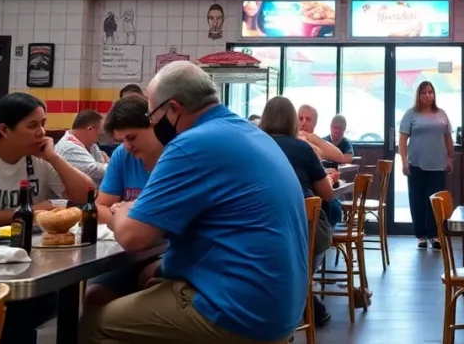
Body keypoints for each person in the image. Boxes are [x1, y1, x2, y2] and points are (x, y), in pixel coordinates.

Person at [82, 61, 308, 344]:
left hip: (241, 314)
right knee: (147, 279)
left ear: (174, 109)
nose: (153, 124)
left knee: (95, 321)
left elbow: (132, 236)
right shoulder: (248, 132)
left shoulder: (191, 144)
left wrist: (120, 213)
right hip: (282, 306)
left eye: (154, 117)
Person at [0, 93, 95, 344]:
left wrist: (53, 157)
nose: (42, 132)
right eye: (32, 126)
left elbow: (86, 194)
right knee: (14, 315)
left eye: (43, 123)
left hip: (26, 259)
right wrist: (30, 212)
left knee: (49, 299)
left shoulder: (41, 156)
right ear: (4, 129)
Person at [259, 96, 335, 327]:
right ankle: (303, 291)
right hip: (304, 222)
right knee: (318, 240)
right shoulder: (302, 148)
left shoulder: (254, 143)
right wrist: (327, 178)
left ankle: (294, 294)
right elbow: (328, 194)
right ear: (293, 120)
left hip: (261, 223)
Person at [86, 96, 163, 311]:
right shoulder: (123, 155)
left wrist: (127, 214)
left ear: (153, 126)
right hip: (126, 254)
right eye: (121, 140)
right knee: (95, 296)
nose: (127, 146)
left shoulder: (175, 156)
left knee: (149, 286)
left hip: (167, 251)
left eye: (132, 137)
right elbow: (100, 207)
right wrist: (127, 219)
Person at [399, 80, 454, 250]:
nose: (427, 95)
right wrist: (403, 160)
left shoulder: (442, 114)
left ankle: (434, 234)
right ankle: (421, 235)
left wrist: (450, 158)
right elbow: (402, 139)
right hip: (416, 163)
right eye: (424, 93)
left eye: (430, 92)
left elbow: (447, 138)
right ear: (418, 95)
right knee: (417, 199)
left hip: (438, 163)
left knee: (435, 200)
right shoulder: (411, 114)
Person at [55, 109, 109, 186]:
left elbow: (103, 165)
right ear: (90, 129)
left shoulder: (91, 145)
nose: (100, 135)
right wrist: (108, 164)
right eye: (100, 130)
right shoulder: (68, 147)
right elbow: (97, 170)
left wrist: (106, 163)